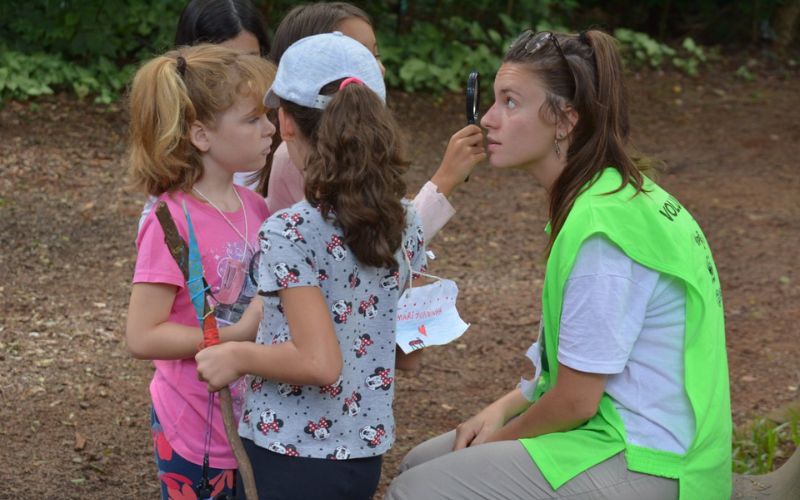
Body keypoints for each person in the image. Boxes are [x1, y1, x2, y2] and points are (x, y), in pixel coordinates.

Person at [386, 29, 731, 499]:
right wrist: (503, 407)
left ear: (565, 120)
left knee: (418, 490)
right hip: (621, 430)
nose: (488, 119)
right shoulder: (606, 196)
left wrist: (495, 444)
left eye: (510, 102)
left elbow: (575, 401)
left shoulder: (602, 232)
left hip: (653, 458)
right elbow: (567, 368)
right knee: (419, 463)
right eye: (492, 100)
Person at [195, 32, 427, 500]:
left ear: (285, 122)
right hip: (363, 454)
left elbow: (318, 362)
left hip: (291, 454)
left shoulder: (289, 232)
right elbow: (411, 350)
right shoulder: (407, 220)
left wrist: (234, 355)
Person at [125, 44, 276, 499]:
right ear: (201, 135)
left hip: (250, 418)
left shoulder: (257, 207)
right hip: (192, 426)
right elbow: (142, 336)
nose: (270, 128)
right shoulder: (170, 223)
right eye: (252, 119)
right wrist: (236, 337)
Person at [261, 2, 485, 240]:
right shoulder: (293, 159)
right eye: (358, 55)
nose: (379, 68)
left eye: (374, 55)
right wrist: (445, 179)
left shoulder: (363, 142)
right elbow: (377, 245)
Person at [138, 0, 271, 232]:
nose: (244, 74)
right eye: (227, 62)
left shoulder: (256, 202)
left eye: (251, 59)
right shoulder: (171, 222)